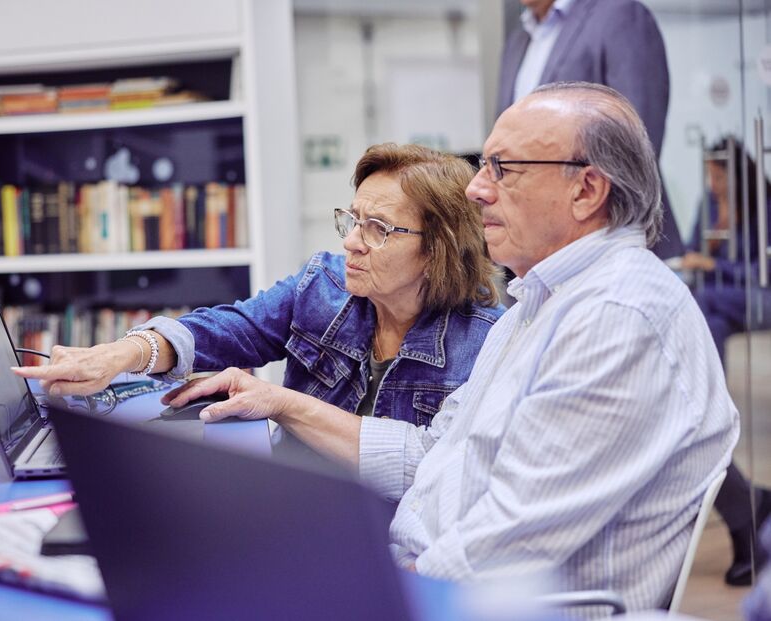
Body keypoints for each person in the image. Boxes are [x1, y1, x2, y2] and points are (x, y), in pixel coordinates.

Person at [167, 82, 739, 613]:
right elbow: (436, 455)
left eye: (502, 168)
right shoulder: (542, 305)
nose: (475, 187)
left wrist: (383, 589)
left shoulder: (617, 317)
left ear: (586, 190)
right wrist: (280, 402)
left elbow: (515, 534)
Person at [14, 143, 503, 427]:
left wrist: (281, 405)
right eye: (352, 220)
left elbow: (439, 479)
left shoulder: (488, 343)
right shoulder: (324, 285)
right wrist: (125, 354)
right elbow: (227, 329)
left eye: (377, 228)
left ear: (437, 249)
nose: (352, 242)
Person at [497, 0, 683, 259]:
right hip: (534, 245)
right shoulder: (519, 40)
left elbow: (636, 143)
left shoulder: (619, 15)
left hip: (607, 244)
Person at [681, 137, 771, 586]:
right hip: (715, 298)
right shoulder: (709, 206)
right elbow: (698, 248)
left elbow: (762, 273)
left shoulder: (762, 207)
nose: (712, 183)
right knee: (703, 307)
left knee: (705, 303)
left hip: (754, 295)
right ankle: (750, 507)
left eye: (718, 175)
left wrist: (716, 268)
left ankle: (705, 384)